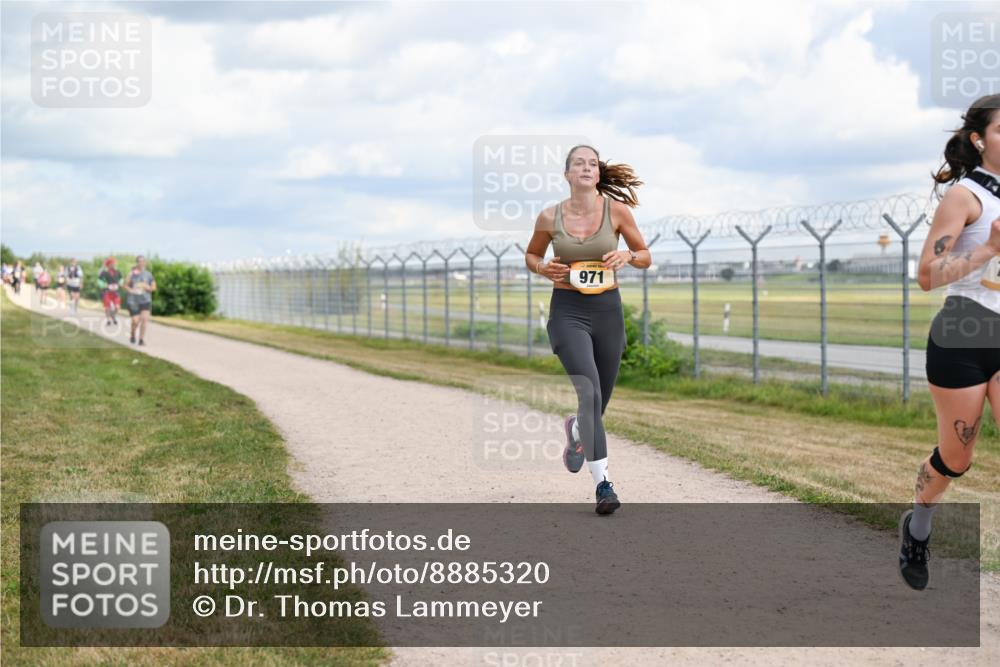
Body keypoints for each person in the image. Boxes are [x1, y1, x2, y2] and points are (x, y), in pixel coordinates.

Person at [898, 94, 1000, 590]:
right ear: (980, 140)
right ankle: (918, 522)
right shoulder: (964, 196)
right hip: (966, 331)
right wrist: (987, 249)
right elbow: (927, 275)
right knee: (957, 457)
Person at [523, 145, 652, 515]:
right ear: (567, 175)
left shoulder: (618, 212)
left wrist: (628, 256)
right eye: (578, 163)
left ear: (598, 174)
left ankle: (578, 431)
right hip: (568, 312)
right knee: (590, 395)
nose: (586, 167)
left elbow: (645, 256)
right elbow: (532, 255)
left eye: (592, 163)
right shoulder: (550, 216)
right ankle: (604, 485)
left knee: (598, 402)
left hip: (608, 312)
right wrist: (542, 268)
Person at [124, 255, 156, 345]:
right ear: (137, 263)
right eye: (140, 261)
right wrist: (130, 290)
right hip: (133, 301)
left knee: (144, 320)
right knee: (135, 321)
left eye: (143, 261)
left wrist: (148, 287)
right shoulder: (131, 274)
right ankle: (133, 334)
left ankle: (141, 340)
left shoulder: (148, 274)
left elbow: (154, 287)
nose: (142, 263)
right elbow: (125, 285)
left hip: (145, 300)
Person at [98, 257, 123, 326]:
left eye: (114, 263)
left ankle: (113, 316)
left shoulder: (118, 271)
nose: (114, 264)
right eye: (112, 263)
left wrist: (120, 284)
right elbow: (99, 281)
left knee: (117, 307)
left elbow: (121, 279)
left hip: (116, 292)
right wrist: (103, 285)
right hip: (107, 292)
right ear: (108, 264)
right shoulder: (104, 272)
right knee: (107, 307)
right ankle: (108, 320)